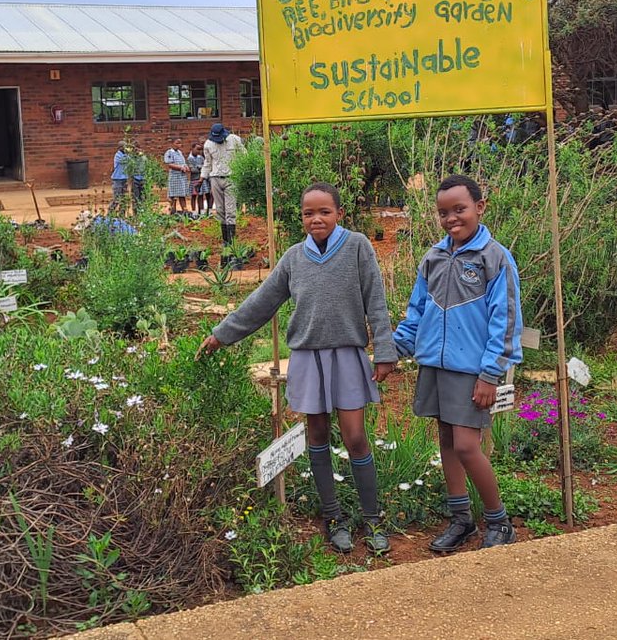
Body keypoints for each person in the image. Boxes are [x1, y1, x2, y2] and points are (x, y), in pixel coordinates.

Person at [198, 182, 397, 554]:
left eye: (324, 211)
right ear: (301, 218)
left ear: (339, 213)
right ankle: (333, 516)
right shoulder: (294, 258)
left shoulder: (357, 247)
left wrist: (384, 350)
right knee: (317, 433)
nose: (316, 218)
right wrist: (221, 335)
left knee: (355, 436)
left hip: (348, 354)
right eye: (309, 213)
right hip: (307, 357)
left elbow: (376, 301)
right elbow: (261, 303)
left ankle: (373, 518)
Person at [394, 174, 522, 552]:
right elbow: (417, 310)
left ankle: (499, 522)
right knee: (447, 442)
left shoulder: (494, 258)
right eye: (443, 212)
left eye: (459, 209)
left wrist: (490, 373)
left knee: (468, 446)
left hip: (472, 371)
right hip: (434, 365)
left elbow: (506, 320)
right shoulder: (433, 258)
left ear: (480, 208)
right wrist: (396, 349)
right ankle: (462, 520)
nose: (451, 218)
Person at [202, 122, 246, 245]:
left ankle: (232, 241)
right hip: (215, 178)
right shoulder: (208, 144)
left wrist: (242, 171)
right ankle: (225, 240)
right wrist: (202, 177)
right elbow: (207, 163)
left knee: (230, 210)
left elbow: (244, 155)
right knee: (220, 210)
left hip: (231, 177)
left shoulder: (234, 140)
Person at [163, 137, 191, 216]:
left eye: (180, 143)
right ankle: (172, 211)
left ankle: (185, 211)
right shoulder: (169, 152)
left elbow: (183, 162)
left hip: (181, 176)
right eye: (177, 143)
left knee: (182, 194)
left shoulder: (179, 152)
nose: (179, 145)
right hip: (174, 176)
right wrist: (180, 168)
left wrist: (186, 167)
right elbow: (169, 164)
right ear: (172, 144)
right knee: (172, 195)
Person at [186, 142, 206, 216]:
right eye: (197, 149)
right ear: (192, 148)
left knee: (201, 196)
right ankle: (194, 212)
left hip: (201, 179)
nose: (198, 151)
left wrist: (198, 167)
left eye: (200, 150)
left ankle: (202, 211)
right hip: (194, 180)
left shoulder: (201, 158)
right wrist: (200, 167)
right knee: (194, 196)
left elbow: (205, 167)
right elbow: (193, 170)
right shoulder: (189, 158)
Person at [128, 142, 148, 215]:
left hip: (143, 179)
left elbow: (146, 167)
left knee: (143, 197)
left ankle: (144, 213)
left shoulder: (143, 157)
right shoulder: (130, 158)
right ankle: (136, 214)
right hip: (135, 179)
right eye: (134, 149)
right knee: (135, 197)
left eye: (137, 148)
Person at [110, 140, 129, 212]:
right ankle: (110, 213)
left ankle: (122, 214)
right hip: (117, 179)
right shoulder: (117, 155)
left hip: (124, 179)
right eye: (124, 147)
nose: (126, 148)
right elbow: (124, 160)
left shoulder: (127, 155)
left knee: (124, 198)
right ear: (120, 148)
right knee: (117, 198)